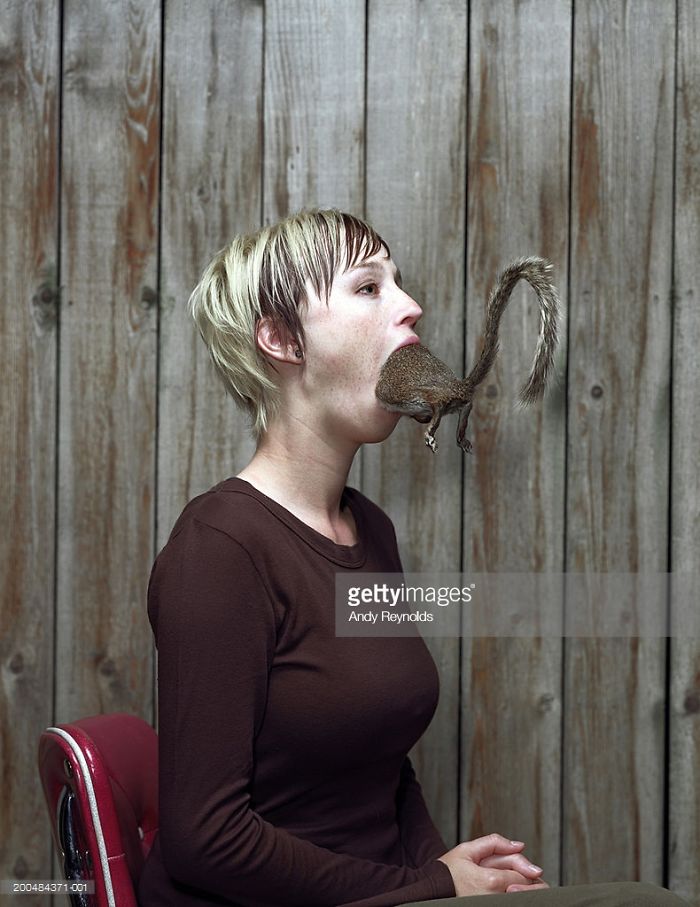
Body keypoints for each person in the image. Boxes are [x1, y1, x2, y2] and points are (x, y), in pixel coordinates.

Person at [136, 208, 689, 907]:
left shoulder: (370, 528)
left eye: (399, 282)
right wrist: (429, 884)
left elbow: (384, 768)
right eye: (369, 288)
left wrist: (454, 876)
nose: (411, 305)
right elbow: (205, 838)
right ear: (280, 338)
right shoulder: (219, 549)